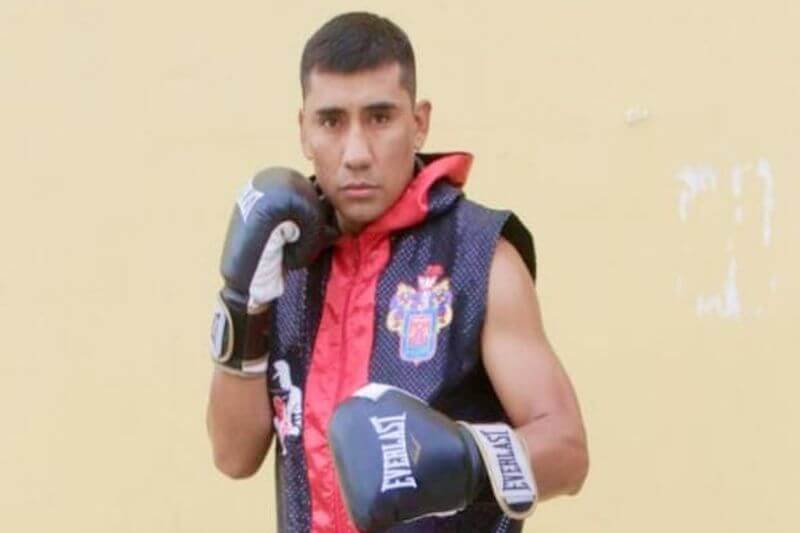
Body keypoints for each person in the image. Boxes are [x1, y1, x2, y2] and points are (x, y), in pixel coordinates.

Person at [206, 11, 588, 533]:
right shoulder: (284, 262)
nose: (357, 153)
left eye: (380, 117)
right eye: (332, 120)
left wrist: (464, 462)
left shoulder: (479, 255)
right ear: (303, 129)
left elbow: (567, 450)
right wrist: (241, 304)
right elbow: (233, 456)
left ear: (420, 121)